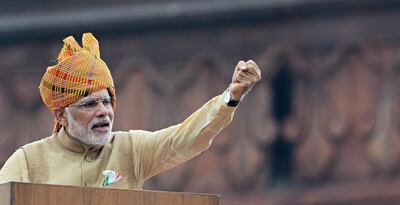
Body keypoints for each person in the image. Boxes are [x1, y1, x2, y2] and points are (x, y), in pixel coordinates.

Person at [0, 33, 261, 189]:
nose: (103, 112)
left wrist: (232, 95)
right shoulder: (28, 162)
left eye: (107, 101)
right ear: (60, 116)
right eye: (90, 104)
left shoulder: (130, 149)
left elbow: (186, 138)